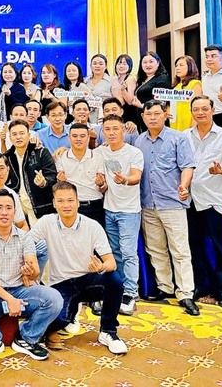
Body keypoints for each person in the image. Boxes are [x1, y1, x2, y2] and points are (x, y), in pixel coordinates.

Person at [32, 181, 128, 355]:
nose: (66, 205)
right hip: (60, 284)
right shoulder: (46, 222)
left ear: (78, 202)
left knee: (114, 280)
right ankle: (69, 314)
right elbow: (26, 244)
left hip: (88, 279)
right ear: (54, 203)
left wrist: (101, 267)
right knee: (59, 321)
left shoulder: (92, 226)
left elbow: (111, 263)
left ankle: (108, 331)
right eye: (60, 201)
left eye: (70, 200)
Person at [0, 189, 63, 363]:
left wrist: (31, 272)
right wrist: (9, 299)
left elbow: (34, 269)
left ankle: (26, 338)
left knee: (54, 299)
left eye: (9, 208)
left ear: (15, 211)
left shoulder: (24, 237)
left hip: (20, 291)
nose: (4, 212)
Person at [135, 100, 199, 316]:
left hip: (172, 202)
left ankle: (185, 293)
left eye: (157, 113)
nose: (152, 118)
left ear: (165, 115)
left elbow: (187, 166)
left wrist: (184, 185)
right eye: (148, 114)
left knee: (180, 250)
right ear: (143, 117)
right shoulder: (139, 141)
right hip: (147, 203)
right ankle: (165, 287)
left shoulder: (178, 138)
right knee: (156, 249)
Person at [185, 95, 222, 308]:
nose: (200, 113)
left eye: (204, 108)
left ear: (212, 110)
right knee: (194, 246)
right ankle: (201, 286)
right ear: (191, 112)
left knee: (221, 247)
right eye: (196, 109)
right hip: (189, 200)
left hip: (214, 200)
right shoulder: (184, 136)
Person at [99, 114, 144, 316]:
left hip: (129, 211)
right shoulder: (101, 151)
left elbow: (136, 176)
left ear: (123, 130)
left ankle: (131, 293)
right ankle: (118, 289)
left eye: (115, 128)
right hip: (109, 209)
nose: (111, 133)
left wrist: (125, 179)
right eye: (107, 129)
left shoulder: (134, 152)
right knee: (114, 252)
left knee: (128, 253)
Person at [4, 119, 57, 226]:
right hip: (18, 210)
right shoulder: (7, 157)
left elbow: (52, 176)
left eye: (22, 133)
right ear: (10, 137)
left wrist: (43, 182)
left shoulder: (41, 152)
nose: (18, 137)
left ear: (28, 135)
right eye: (14, 134)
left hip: (41, 207)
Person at [56, 123, 106, 226]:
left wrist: (101, 184)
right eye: (74, 136)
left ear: (88, 137)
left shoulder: (98, 157)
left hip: (94, 205)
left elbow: (103, 188)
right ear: (69, 138)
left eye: (82, 136)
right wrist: (60, 182)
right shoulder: (61, 157)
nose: (78, 139)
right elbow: (60, 186)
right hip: (71, 206)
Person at [132, 52, 170, 131]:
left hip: (155, 120)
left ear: (158, 63)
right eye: (145, 62)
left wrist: (142, 105)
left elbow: (162, 102)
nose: (148, 65)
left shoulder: (162, 79)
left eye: (151, 62)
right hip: (142, 119)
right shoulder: (142, 79)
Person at [169, 55, 202, 131]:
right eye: (176, 66)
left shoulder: (195, 83)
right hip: (175, 122)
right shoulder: (176, 86)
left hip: (188, 123)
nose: (177, 68)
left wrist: (194, 126)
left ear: (190, 67)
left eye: (181, 65)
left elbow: (197, 107)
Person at [111, 54, 139, 126]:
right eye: (119, 63)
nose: (121, 66)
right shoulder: (114, 79)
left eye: (124, 64)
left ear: (129, 66)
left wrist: (123, 90)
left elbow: (130, 101)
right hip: (116, 112)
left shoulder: (130, 79)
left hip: (128, 113)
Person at [85, 54, 112, 125]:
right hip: (86, 119)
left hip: (104, 118)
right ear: (91, 66)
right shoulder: (85, 81)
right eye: (94, 63)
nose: (97, 66)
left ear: (105, 66)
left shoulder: (111, 81)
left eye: (100, 64)